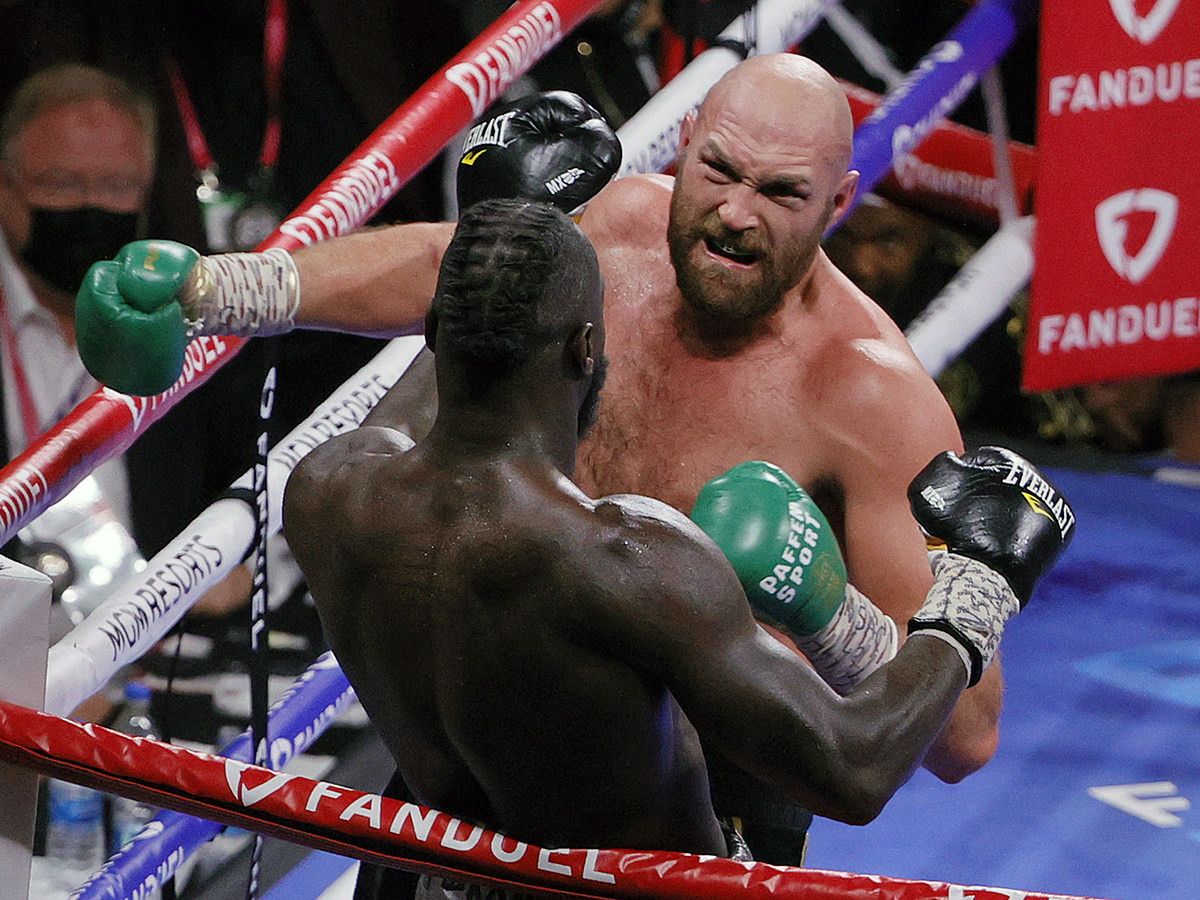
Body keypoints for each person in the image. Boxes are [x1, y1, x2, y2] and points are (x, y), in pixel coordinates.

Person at [80, 54, 1013, 861]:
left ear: (840, 202)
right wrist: (222, 287)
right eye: (719, 170)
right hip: (479, 738)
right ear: (685, 141)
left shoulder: (872, 399)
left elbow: (963, 734)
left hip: (699, 793)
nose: (733, 214)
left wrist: (825, 611)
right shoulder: (610, 231)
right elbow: (449, 265)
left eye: (780, 194)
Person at [282, 198, 1069, 899]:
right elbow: (854, 768)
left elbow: (449, 356)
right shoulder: (625, 561)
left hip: (438, 872)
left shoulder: (328, 489)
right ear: (587, 349)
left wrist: (514, 236)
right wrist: (977, 585)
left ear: (436, 331)